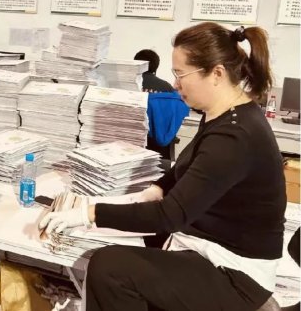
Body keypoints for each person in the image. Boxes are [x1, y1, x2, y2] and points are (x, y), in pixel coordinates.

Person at [41, 23, 286, 311]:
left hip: (235, 274)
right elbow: (190, 165)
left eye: (181, 74)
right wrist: (157, 188)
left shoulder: (235, 136)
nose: (176, 84)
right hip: (207, 244)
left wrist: (89, 214)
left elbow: (169, 216)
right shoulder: (224, 115)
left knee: (110, 269)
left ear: (217, 74)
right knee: (126, 245)